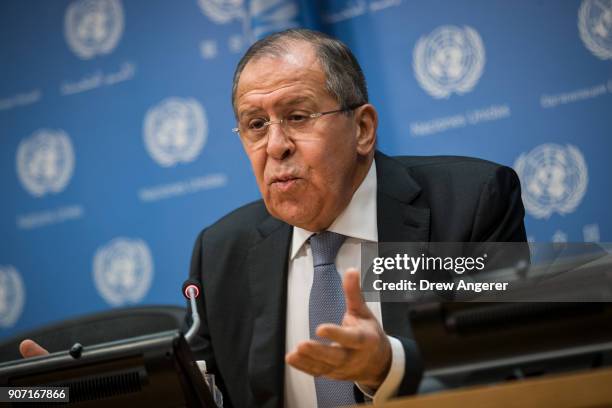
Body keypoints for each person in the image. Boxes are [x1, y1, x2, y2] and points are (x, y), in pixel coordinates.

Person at [21, 28, 527, 408]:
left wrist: (387, 366)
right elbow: (203, 394)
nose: (277, 146)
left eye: (299, 116)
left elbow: (511, 369)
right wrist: (81, 397)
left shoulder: (471, 202)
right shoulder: (223, 249)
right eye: (255, 125)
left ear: (363, 129)